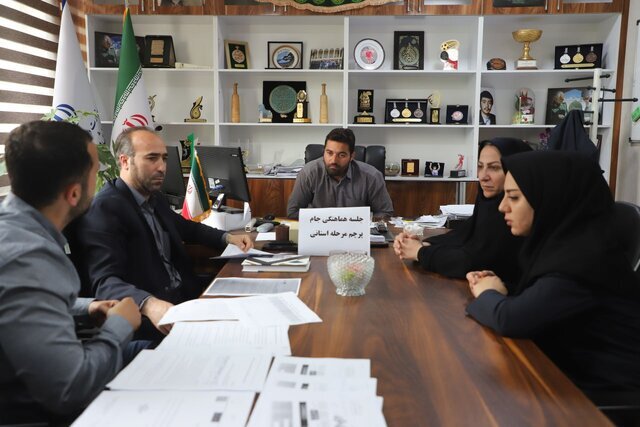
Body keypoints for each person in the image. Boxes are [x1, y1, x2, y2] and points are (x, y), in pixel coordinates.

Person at [466, 151, 640, 398]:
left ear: (550, 199)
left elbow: (510, 319)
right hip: (568, 375)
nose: (502, 206)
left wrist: (487, 293)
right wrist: (502, 288)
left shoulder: (582, 261)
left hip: (602, 397)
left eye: (514, 197)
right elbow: (542, 299)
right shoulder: (566, 245)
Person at [0, 121, 141, 424]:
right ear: (74, 193)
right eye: (96, 172)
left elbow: (20, 299)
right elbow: (72, 389)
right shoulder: (28, 257)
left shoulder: (11, 229)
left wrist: (87, 307)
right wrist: (120, 326)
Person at [75, 127, 253, 339]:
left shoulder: (154, 198)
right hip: (153, 318)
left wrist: (227, 238)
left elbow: (188, 228)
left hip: (187, 299)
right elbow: (105, 282)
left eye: (164, 158)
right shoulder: (105, 209)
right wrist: (148, 304)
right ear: (125, 161)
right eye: (152, 158)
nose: (161, 167)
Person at [393, 138, 531, 284]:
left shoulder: (519, 214)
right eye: (480, 166)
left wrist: (420, 253)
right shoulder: (488, 203)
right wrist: (423, 245)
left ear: (516, 170)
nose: (483, 176)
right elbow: (461, 237)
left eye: (494, 168)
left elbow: (475, 262)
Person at [287, 128, 393, 219]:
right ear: (324, 151)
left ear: (352, 156)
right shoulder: (308, 173)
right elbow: (293, 212)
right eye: (329, 153)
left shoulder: (371, 176)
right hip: (318, 231)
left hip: (356, 233)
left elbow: (385, 212)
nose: (333, 160)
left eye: (341, 155)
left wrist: (366, 224)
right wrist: (318, 220)